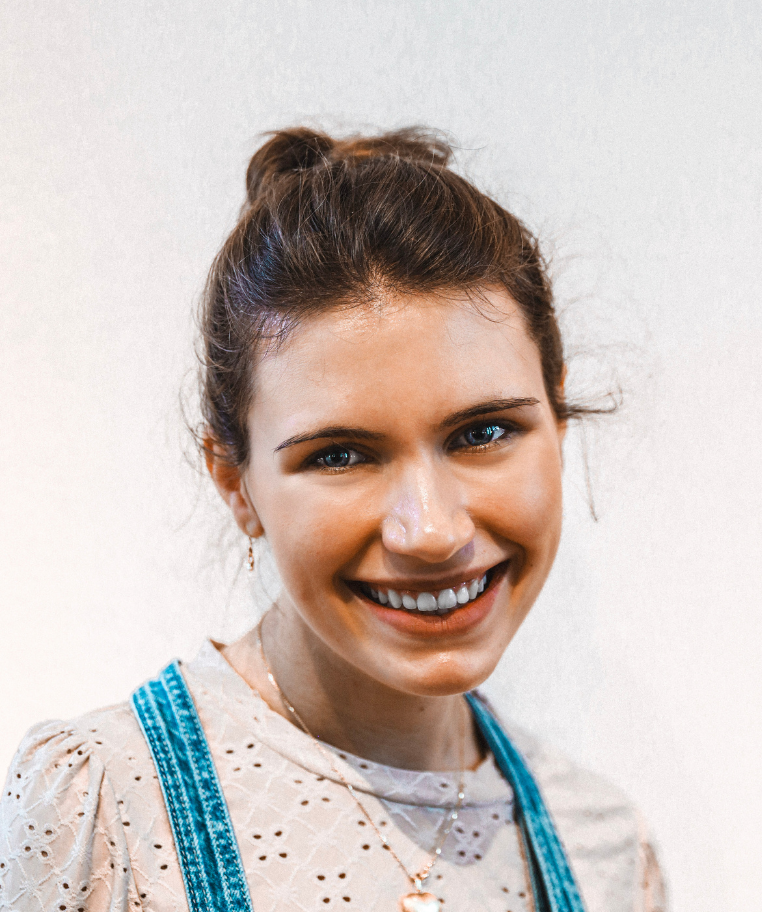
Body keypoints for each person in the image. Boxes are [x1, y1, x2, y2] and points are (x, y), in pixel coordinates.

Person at [0, 128, 666, 912]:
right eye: (341, 455)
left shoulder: (605, 853)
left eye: (483, 432)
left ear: (557, 414)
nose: (432, 531)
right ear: (234, 481)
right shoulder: (107, 810)